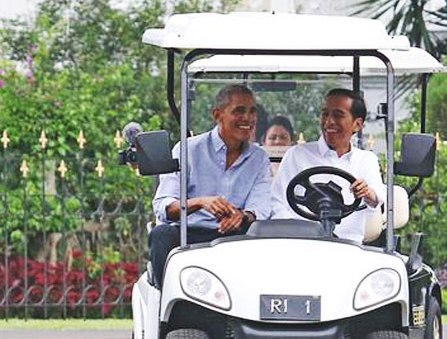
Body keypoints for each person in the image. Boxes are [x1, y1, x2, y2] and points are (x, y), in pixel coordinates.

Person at [150, 84, 272, 288]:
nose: (248, 119)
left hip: (234, 235)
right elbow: (164, 206)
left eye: (252, 111)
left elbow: (260, 207)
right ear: (217, 114)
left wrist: (242, 216)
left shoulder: (258, 158)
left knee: (267, 240)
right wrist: (200, 202)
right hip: (188, 233)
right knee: (161, 235)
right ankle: (169, 306)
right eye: (239, 111)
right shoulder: (187, 149)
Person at [271, 88, 385, 243]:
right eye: (325, 114)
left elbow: (377, 196)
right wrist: (292, 235)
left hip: (347, 246)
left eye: (338, 115)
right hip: (300, 243)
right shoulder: (297, 154)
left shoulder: (366, 159)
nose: (329, 122)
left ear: (357, 124)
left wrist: (367, 193)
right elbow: (278, 202)